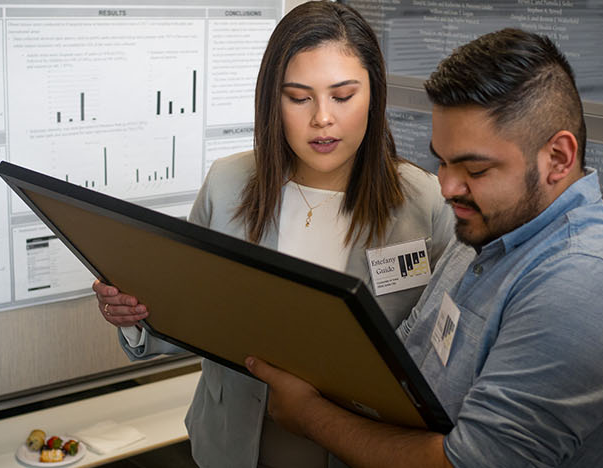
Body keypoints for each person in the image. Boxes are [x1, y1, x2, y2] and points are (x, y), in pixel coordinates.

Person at [241, 28, 603, 466]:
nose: (446, 187)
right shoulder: (486, 227)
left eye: (475, 169)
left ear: (557, 158)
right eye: (441, 161)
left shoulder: (589, 283)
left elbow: (464, 463)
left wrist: (310, 416)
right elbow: (411, 352)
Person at [92, 4, 456, 467]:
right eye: (300, 98)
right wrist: (136, 315)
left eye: (343, 96)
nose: (322, 118)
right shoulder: (226, 185)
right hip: (234, 442)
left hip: (360, 445)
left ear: (374, 95)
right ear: (272, 101)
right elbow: (189, 313)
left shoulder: (424, 202)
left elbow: (439, 353)